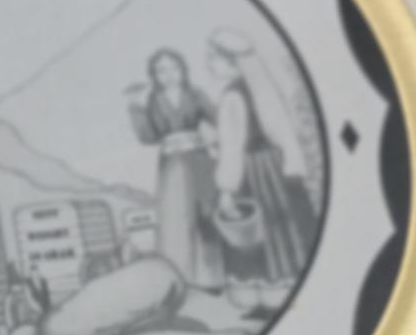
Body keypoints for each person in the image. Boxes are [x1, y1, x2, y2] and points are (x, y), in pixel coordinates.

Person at [207, 27, 318, 283]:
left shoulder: (232, 95)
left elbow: (233, 147)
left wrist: (226, 190)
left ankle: (267, 279)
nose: (209, 64)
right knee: (285, 216)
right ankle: (294, 269)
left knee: (257, 224)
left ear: (231, 62)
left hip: (251, 169)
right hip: (274, 163)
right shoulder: (259, 87)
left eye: (213, 58)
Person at [127, 47, 224, 290]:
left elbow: (218, 119)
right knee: (175, 220)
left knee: (206, 215)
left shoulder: (196, 94)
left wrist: (218, 141)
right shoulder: (152, 101)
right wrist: (136, 108)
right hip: (171, 166)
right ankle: (182, 279)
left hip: (200, 162)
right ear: (154, 76)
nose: (168, 74)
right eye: (161, 70)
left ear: (183, 70)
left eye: (173, 68)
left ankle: (214, 277)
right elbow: (147, 137)